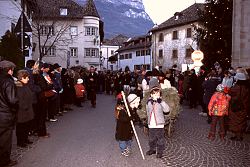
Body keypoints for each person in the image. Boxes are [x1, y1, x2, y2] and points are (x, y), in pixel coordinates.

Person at [0, 60, 18, 167]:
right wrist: (15, 110)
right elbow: (12, 100)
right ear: (10, 70)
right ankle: (4, 161)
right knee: (5, 140)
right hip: (5, 115)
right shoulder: (8, 81)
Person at [146, 78, 170, 158]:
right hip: (151, 124)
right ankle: (152, 149)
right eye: (155, 94)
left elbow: (167, 110)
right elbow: (147, 112)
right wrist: (147, 121)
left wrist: (161, 102)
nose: (156, 95)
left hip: (159, 125)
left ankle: (160, 151)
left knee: (160, 139)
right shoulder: (149, 102)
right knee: (151, 138)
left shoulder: (161, 102)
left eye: (158, 94)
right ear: (151, 94)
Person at [228, 72, 250, 141]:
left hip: (236, 107)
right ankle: (239, 135)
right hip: (244, 107)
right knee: (241, 121)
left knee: (236, 121)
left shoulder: (237, 87)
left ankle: (238, 136)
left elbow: (232, 93)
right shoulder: (246, 86)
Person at [15, 70, 34, 147]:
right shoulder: (19, 86)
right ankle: (20, 142)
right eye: (27, 78)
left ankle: (25, 139)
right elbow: (19, 100)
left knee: (26, 126)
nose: (28, 79)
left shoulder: (25, 85)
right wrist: (25, 106)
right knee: (21, 127)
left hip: (27, 110)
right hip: (22, 111)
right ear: (22, 77)